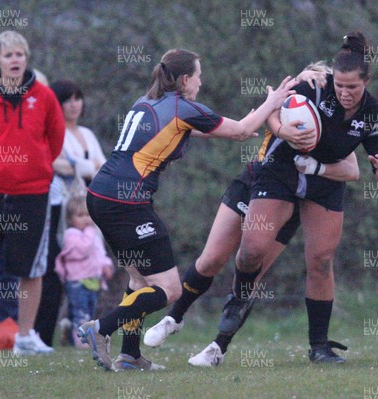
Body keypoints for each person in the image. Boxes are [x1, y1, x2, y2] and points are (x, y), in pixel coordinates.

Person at [77, 48, 298, 371]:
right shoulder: (183, 106)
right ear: (184, 80)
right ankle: (99, 329)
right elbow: (236, 131)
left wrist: (239, 127)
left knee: (139, 278)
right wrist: (272, 103)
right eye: (198, 75)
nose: (200, 81)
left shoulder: (147, 101)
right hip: (127, 204)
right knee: (169, 289)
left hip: (100, 195)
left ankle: (129, 356)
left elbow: (186, 129)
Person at [216, 32, 378, 364]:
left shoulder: (373, 112)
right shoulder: (314, 85)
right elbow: (273, 109)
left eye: (352, 87)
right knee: (252, 248)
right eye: (339, 85)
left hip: (324, 183)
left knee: (321, 261)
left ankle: (319, 346)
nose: (344, 92)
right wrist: (282, 130)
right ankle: (239, 297)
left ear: (367, 82)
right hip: (282, 170)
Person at [0, 31, 65, 357]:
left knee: (30, 269)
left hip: (32, 194)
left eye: (20, 54)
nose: (15, 60)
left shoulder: (45, 97)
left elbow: (56, 138)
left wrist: (34, 170)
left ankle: (24, 337)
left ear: (26, 58)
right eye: (8, 55)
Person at [34, 80, 108, 347]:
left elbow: (103, 167)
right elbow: (57, 165)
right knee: (60, 268)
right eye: (68, 99)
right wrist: (87, 166)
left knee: (90, 270)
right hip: (61, 212)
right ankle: (46, 334)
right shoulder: (53, 132)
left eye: (78, 98)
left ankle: (75, 327)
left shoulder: (87, 134)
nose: (74, 104)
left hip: (88, 211)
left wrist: (79, 164)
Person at [55, 194, 113, 347]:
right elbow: (83, 250)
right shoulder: (71, 235)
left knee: (90, 311)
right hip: (77, 281)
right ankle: (81, 341)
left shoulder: (91, 235)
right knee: (81, 313)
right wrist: (90, 231)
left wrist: (106, 265)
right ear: (70, 219)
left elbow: (99, 252)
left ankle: (70, 330)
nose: (86, 219)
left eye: (88, 215)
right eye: (80, 216)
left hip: (93, 279)